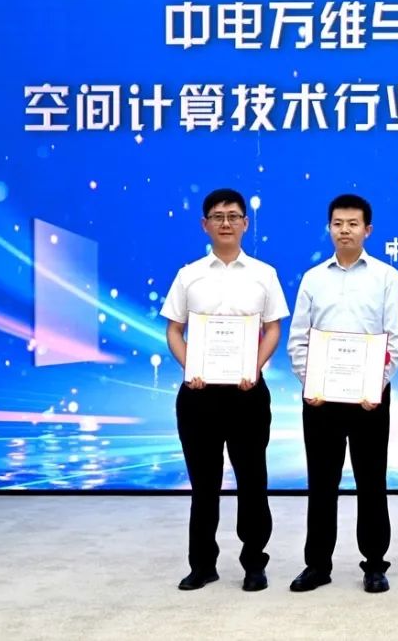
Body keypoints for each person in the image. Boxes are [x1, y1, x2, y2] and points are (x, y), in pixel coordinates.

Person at [161, 188, 289, 592]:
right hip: (199, 395)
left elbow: (273, 329)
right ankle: (202, 564)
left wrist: (255, 366)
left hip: (247, 393)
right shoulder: (189, 275)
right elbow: (174, 330)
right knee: (204, 485)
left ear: (246, 223)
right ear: (205, 225)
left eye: (233, 216)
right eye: (217, 216)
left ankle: (254, 563)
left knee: (252, 481)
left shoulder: (264, 274)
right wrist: (191, 367)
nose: (226, 223)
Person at [285, 194, 398, 594]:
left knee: (372, 482)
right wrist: (311, 384)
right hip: (321, 400)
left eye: (353, 224)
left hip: (370, 400)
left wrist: (377, 384)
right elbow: (298, 339)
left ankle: (375, 564)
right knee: (322, 483)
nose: (345, 230)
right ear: (329, 228)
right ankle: (317, 565)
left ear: (367, 230)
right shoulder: (313, 278)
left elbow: (395, 339)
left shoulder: (386, 277)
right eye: (338, 223)